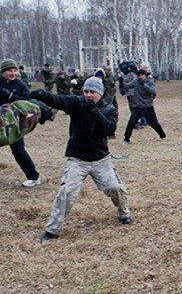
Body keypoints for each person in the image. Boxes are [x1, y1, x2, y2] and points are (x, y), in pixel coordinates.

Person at [29, 76, 131, 243]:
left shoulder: (109, 109)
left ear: (100, 93)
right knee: (66, 192)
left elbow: (107, 129)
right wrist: (43, 94)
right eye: (86, 91)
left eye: (92, 92)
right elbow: (59, 100)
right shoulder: (77, 103)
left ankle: (123, 213)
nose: (88, 95)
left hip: (101, 160)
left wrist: (93, 110)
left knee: (116, 188)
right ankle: (52, 230)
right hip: (77, 159)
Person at [0, 58, 43, 187]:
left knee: (18, 150)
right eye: (9, 70)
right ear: (2, 71)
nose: (12, 73)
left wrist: (10, 97)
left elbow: (26, 102)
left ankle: (33, 177)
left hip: (14, 124)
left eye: (14, 70)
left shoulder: (21, 85)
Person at [121, 69, 166, 144]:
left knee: (154, 123)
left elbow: (153, 91)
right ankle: (126, 139)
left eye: (142, 75)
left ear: (145, 76)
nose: (140, 77)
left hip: (148, 107)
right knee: (131, 123)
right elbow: (126, 86)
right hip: (138, 107)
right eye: (139, 75)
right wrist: (121, 81)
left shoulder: (150, 82)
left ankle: (162, 135)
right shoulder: (135, 82)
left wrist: (144, 85)